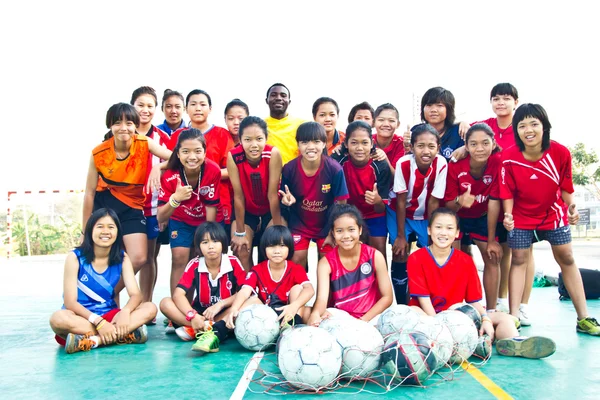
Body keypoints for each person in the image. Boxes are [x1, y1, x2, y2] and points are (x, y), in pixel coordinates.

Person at [500, 103, 599, 336]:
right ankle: (514, 317)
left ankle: (583, 318)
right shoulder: (509, 157)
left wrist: (572, 207)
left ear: (545, 127)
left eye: (534, 123)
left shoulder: (560, 152)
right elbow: (507, 192)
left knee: (567, 258)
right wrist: (508, 215)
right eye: (522, 125)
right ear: (517, 131)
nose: (528, 130)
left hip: (553, 215)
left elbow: (566, 187)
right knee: (518, 260)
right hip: (522, 218)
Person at [407, 208, 557, 358]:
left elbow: (473, 301)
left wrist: (485, 319)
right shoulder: (416, 258)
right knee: (412, 315)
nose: (443, 233)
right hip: (428, 317)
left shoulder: (465, 261)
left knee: (503, 318)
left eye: (449, 228)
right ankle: (470, 344)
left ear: (457, 233)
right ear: (429, 230)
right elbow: (423, 300)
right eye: (438, 227)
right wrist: (439, 328)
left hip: (457, 316)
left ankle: (516, 344)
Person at [453, 83, 533, 320]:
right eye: (496, 98)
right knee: (471, 254)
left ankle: (512, 305)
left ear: (515, 101)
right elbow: (473, 133)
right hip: (480, 206)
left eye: (506, 98)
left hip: (514, 198)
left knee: (517, 253)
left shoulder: (522, 125)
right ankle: (465, 303)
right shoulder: (486, 126)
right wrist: (463, 135)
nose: (501, 103)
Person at [83, 103, 172, 295]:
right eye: (117, 123)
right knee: (109, 259)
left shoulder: (144, 143)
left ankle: (106, 292)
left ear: (135, 125)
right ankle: (109, 308)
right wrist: (85, 231)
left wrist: (159, 167)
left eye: (129, 122)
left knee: (140, 257)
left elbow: (174, 157)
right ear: (110, 126)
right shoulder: (98, 153)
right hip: (106, 204)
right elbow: (89, 192)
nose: (124, 127)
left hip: (133, 206)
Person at [49, 208, 157, 354]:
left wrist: (125, 311)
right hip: (82, 318)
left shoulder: (122, 258)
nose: (106, 231)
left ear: (117, 232)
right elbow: (70, 302)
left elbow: (136, 294)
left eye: (111, 227)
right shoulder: (75, 258)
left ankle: (92, 341)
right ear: (90, 231)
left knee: (150, 308)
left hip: (110, 315)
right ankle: (123, 335)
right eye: (100, 226)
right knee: (58, 319)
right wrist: (98, 322)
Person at [157, 129, 221, 308]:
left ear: (205, 152)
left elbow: (211, 206)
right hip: (180, 219)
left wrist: (208, 236)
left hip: (203, 221)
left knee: (200, 257)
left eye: (197, 151)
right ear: (178, 153)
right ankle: (177, 308)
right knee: (179, 256)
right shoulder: (170, 174)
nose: (192, 156)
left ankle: (195, 306)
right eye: (185, 151)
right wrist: (176, 199)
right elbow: (161, 215)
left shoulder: (212, 170)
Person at [159, 222, 246, 353]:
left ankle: (198, 330)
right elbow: (178, 294)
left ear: (223, 243)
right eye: (205, 242)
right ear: (198, 246)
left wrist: (221, 304)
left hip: (223, 313)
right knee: (165, 303)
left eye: (215, 241)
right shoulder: (194, 264)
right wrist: (192, 316)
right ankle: (204, 327)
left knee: (252, 302)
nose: (211, 246)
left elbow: (245, 290)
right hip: (200, 314)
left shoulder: (233, 262)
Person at [444, 123, 504, 311]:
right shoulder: (455, 165)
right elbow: (448, 205)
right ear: (466, 146)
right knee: (452, 260)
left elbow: (494, 202)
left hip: (484, 217)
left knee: (492, 257)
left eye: (485, 143)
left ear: (493, 144)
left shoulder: (498, 162)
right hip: (458, 217)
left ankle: (492, 309)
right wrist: (460, 200)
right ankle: (455, 307)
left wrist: (493, 239)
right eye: (474, 144)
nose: (480, 149)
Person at [389, 124, 447, 304]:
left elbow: (433, 202)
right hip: (399, 213)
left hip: (424, 215)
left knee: (429, 252)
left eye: (431, 146)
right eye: (420, 146)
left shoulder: (441, 164)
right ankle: (401, 304)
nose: (426, 151)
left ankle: (425, 299)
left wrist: (432, 231)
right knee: (400, 251)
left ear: (438, 147)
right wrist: (400, 236)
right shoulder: (403, 163)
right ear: (412, 147)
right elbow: (400, 200)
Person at [307, 204, 393, 326]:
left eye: (351, 229)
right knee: (308, 313)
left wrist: (363, 321)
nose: (346, 236)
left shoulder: (375, 256)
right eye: (339, 231)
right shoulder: (325, 263)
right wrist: (315, 314)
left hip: (371, 316)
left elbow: (387, 297)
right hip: (341, 317)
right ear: (332, 233)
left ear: (360, 230)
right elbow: (321, 299)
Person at [279, 122, 349, 269]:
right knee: (296, 258)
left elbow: (342, 204)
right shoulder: (289, 169)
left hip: (326, 224)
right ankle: (301, 291)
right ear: (298, 144)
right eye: (305, 142)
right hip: (299, 223)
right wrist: (286, 201)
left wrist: (333, 231)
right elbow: (283, 198)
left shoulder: (334, 169)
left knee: (328, 261)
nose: (310, 147)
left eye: (316, 141)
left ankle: (326, 292)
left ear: (324, 144)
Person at [131, 86, 173, 306]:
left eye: (150, 106)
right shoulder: (120, 133)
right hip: (125, 206)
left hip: (152, 208)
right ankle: (115, 307)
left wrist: (160, 167)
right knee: (123, 258)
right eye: (141, 105)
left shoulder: (162, 137)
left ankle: (145, 304)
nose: (145, 110)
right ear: (132, 106)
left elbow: (175, 162)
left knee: (149, 258)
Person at [226, 225, 315, 329]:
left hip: (289, 312)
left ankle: (292, 326)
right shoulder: (257, 269)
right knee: (252, 300)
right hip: (266, 317)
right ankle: (222, 328)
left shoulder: (296, 269)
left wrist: (293, 307)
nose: (277, 251)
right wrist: (234, 308)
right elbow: (245, 290)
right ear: (264, 248)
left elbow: (310, 290)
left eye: (282, 246)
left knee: (298, 289)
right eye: (272, 246)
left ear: (289, 248)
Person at [170, 89, 234, 226]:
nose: (198, 108)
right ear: (186, 109)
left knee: (213, 243)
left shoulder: (222, 134)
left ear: (210, 109)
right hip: (185, 203)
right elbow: (171, 166)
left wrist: (204, 174)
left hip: (217, 200)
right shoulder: (177, 136)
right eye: (193, 104)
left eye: (203, 104)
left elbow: (232, 170)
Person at [227, 116, 283, 271]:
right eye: (247, 139)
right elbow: (238, 196)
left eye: (259, 139)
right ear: (240, 139)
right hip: (246, 211)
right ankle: (249, 289)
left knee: (274, 249)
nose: (254, 145)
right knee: (241, 249)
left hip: (270, 211)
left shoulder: (272, 154)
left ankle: (270, 291)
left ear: (266, 138)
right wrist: (239, 232)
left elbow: (273, 195)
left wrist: (278, 229)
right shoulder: (234, 156)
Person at [331, 120, 392, 261]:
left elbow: (381, 208)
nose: (359, 148)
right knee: (348, 252)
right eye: (354, 142)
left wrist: (377, 200)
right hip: (346, 214)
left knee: (378, 252)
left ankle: (380, 282)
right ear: (345, 144)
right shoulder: (338, 160)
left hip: (373, 214)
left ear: (372, 144)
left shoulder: (380, 165)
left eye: (364, 143)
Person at [406, 87, 464, 162]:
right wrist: (406, 147)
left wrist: (466, 147)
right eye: (429, 105)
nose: (433, 110)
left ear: (449, 109)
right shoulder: (416, 131)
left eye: (439, 105)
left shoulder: (458, 132)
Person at [264, 83, 305, 165]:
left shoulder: (302, 125)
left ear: (289, 101)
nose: (278, 98)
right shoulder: (259, 126)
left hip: (293, 176)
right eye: (273, 95)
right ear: (266, 100)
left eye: (283, 95)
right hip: (267, 176)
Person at [372, 103, 408, 174]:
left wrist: (384, 158)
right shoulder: (367, 141)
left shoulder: (401, 144)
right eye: (381, 120)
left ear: (398, 124)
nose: (386, 124)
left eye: (391, 121)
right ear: (373, 123)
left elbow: (397, 177)